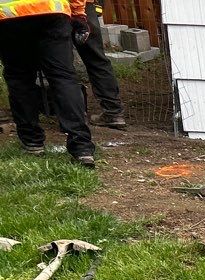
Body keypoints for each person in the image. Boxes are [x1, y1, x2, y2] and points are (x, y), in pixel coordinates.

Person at [0, 0, 97, 166]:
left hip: (9, 16)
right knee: (63, 78)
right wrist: (79, 14)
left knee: (20, 78)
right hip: (52, 11)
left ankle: (32, 142)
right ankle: (82, 147)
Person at [74, 1, 125, 129]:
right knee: (96, 59)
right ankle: (113, 112)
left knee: (63, 64)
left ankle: (75, 115)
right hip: (85, 7)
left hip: (59, 9)